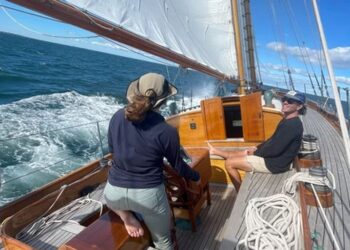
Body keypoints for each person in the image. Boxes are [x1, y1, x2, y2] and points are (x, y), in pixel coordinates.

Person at [104, 72, 200, 250]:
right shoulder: (167, 132)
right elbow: (179, 167)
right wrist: (196, 176)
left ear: (135, 92)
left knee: (109, 199)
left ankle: (126, 217)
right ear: (163, 101)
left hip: (113, 194)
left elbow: (113, 152)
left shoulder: (116, 116)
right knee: (163, 241)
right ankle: (132, 219)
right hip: (148, 197)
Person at [208, 90, 306, 191]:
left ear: (299, 107)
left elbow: (275, 149)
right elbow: (272, 140)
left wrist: (256, 152)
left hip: (274, 164)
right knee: (243, 152)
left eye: (290, 101)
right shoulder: (287, 120)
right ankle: (215, 151)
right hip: (273, 159)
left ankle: (239, 191)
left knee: (229, 163)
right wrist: (256, 148)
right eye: (284, 99)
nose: (285, 102)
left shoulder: (292, 125)